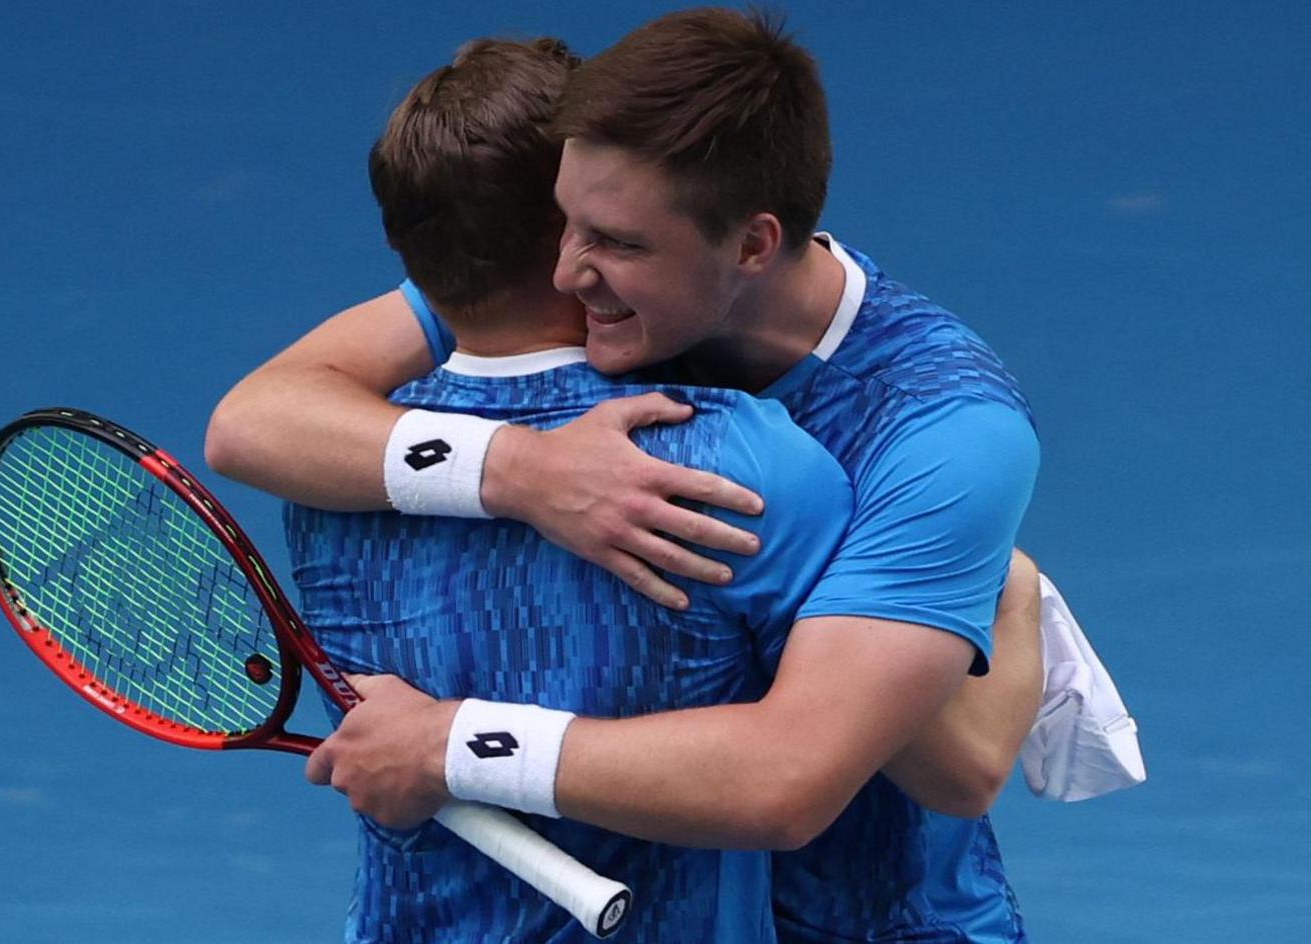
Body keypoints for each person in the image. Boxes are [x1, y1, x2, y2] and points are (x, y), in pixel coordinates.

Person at [212, 9, 1140, 942]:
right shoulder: (596, 273)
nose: (567, 272)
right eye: (563, 225)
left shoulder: (942, 432)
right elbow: (255, 421)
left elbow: (928, 769)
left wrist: (451, 744)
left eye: (612, 242)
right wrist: (523, 470)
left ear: (749, 246)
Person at [285, 36, 854, 942]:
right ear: (572, 226)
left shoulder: (319, 475)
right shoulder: (744, 460)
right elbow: (851, 752)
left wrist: (454, 746)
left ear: (404, 244)